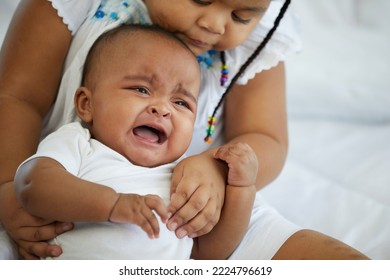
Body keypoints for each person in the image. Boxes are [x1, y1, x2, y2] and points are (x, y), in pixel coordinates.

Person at [0, 0, 368, 260]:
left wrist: (218, 169)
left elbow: (265, 136)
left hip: (195, 200)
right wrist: (6, 193)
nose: (216, 25)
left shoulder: (258, 41)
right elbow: (18, 97)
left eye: (241, 15)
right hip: (59, 196)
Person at [13, 24, 258, 260]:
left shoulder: (183, 176)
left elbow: (208, 252)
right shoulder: (79, 143)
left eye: (181, 102)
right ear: (87, 104)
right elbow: (32, 183)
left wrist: (241, 189)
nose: (162, 109)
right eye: (141, 90)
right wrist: (112, 204)